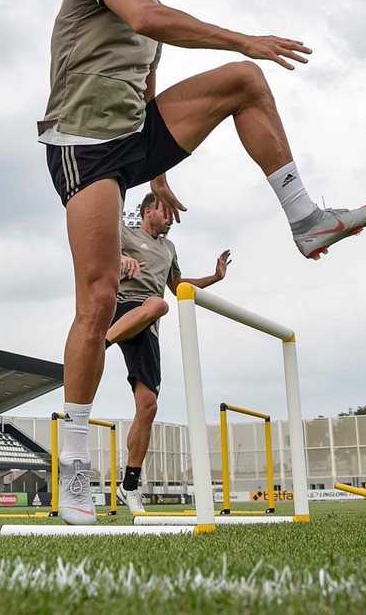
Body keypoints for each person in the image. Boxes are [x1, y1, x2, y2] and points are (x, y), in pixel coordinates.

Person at [39, 0, 366, 525]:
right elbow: (141, 19)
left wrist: (160, 173)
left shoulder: (155, 3)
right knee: (97, 298)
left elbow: (146, 84)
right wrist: (241, 37)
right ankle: (78, 469)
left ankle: (306, 219)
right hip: (82, 145)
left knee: (245, 83)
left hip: (132, 137)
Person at [107, 193, 230, 515]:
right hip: (119, 305)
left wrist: (214, 277)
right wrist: (121, 260)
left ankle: (129, 485)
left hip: (145, 325)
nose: (171, 220)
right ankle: (100, 342)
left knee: (148, 406)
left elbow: (178, 286)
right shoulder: (125, 232)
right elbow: (99, 250)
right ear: (149, 211)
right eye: (167, 213)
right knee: (158, 304)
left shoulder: (169, 249)